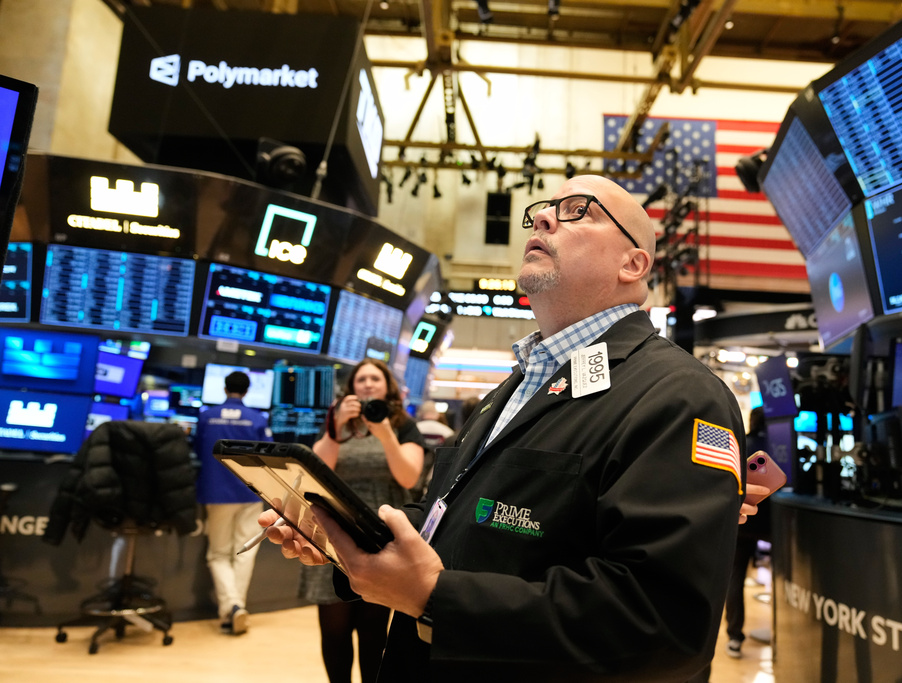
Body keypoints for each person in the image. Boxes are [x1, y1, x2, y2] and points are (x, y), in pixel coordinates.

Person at [264, 175, 770, 681]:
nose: (545, 216)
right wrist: (348, 539)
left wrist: (435, 597)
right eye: (545, 209)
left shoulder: (680, 395)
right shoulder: (517, 386)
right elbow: (454, 517)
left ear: (632, 264)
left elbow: (667, 626)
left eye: (578, 210)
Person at [302, 358, 425, 683]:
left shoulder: (402, 424)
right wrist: (335, 426)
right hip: (333, 534)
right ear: (351, 388)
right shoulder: (337, 422)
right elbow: (317, 470)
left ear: (388, 387)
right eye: (361, 379)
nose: (368, 384)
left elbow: (409, 477)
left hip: (380, 533)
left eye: (375, 378)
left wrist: (385, 433)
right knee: (334, 631)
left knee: (374, 631)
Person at [193, 370, 273, 636]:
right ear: (248, 391)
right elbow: (270, 457)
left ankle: (232, 607)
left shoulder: (205, 417)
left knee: (218, 553)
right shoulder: (258, 419)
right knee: (245, 551)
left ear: (224, 388)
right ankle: (235, 608)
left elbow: (196, 452)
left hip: (216, 493)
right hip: (251, 493)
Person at [725, 406, 772, 659]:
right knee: (785, 578)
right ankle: (782, 632)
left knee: (735, 578)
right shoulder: (781, 445)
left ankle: (734, 637)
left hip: (742, 523)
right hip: (775, 524)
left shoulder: (741, 445)